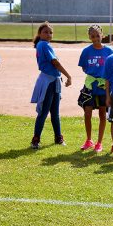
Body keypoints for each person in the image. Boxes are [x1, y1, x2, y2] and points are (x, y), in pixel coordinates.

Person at [30, 21, 72, 149]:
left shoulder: (43, 45)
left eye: (50, 32)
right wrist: (68, 75)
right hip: (48, 81)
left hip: (53, 81)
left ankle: (58, 137)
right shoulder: (43, 45)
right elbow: (55, 63)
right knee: (44, 112)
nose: (48, 34)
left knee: (55, 112)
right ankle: (36, 140)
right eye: (45, 32)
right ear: (40, 33)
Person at [78, 24, 113, 152]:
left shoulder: (109, 51)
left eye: (97, 35)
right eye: (92, 36)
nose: (95, 38)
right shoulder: (86, 51)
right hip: (90, 86)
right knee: (87, 113)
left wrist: (103, 78)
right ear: (89, 37)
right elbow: (83, 67)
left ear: (102, 35)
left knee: (102, 114)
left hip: (103, 86)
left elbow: (112, 67)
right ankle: (88, 140)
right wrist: (93, 74)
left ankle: (99, 142)